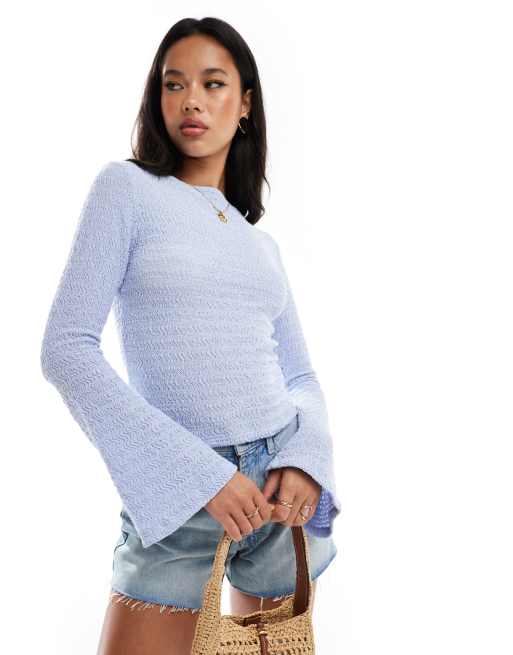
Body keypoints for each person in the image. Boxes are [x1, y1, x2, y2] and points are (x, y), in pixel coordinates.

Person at [40, 16, 341, 655]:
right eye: (173, 85)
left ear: (246, 103)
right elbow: (65, 348)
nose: (191, 101)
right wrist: (198, 475)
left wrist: (305, 460)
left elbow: (300, 376)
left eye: (212, 83)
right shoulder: (127, 190)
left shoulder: (260, 244)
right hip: (179, 496)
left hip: (278, 492)